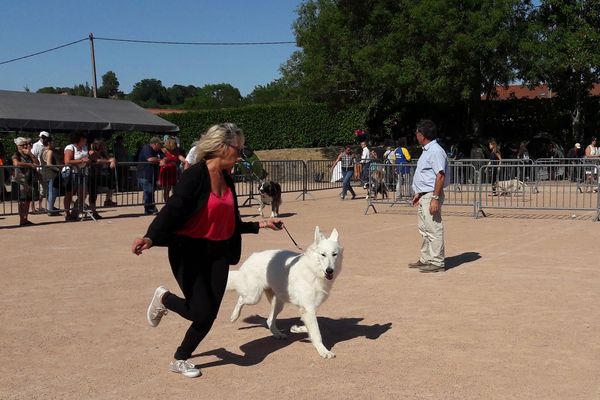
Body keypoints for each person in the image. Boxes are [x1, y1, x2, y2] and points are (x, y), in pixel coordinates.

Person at [131, 123, 284, 379]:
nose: (240, 153)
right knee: (200, 311)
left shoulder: (228, 179)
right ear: (222, 147)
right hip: (189, 252)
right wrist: (150, 236)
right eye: (238, 148)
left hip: (219, 254)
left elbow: (231, 222)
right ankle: (164, 299)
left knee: (208, 314)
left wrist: (263, 224)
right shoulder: (195, 175)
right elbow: (173, 209)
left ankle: (180, 358)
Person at [409, 120, 449, 273]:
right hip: (424, 195)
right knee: (424, 229)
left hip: (431, 195)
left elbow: (440, 175)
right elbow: (427, 175)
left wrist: (435, 198)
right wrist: (419, 193)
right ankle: (426, 258)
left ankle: (437, 262)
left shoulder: (435, 151)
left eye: (418, 133)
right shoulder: (427, 150)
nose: (416, 135)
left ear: (423, 135)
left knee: (433, 228)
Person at [62, 132, 90, 222]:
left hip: (82, 172)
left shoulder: (85, 148)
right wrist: (81, 160)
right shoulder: (70, 147)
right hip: (71, 172)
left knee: (83, 193)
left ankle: (75, 212)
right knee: (69, 194)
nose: (86, 140)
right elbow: (67, 161)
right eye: (84, 138)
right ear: (80, 139)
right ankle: (67, 214)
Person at [11, 137, 40, 226]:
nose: (26, 146)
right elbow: (16, 163)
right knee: (22, 201)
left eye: (26, 144)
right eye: (23, 145)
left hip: (29, 180)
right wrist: (29, 165)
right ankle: (22, 220)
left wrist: (30, 154)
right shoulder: (16, 154)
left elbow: (37, 163)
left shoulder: (29, 154)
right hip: (20, 180)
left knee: (27, 200)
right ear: (18, 146)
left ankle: (25, 219)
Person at [88, 139, 117, 219]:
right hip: (90, 175)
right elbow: (97, 161)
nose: (105, 147)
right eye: (104, 146)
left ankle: (97, 209)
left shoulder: (103, 153)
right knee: (90, 194)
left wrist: (112, 161)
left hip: (98, 175)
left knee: (110, 185)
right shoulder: (91, 152)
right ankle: (79, 210)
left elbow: (111, 158)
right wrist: (108, 161)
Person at [137, 137, 163, 215]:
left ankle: (149, 208)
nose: (160, 146)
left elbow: (164, 157)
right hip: (144, 174)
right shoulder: (147, 148)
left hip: (151, 174)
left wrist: (162, 159)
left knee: (150, 191)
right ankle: (149, 208)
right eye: (159, 144)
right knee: (149, 191)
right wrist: (160, 160)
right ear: (154, 144)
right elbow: (150, 159)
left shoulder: (157, 150)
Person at [159, 137, 186, 202]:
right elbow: (162, 162)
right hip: (167, 172)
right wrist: (164, 161)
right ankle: (167, 203)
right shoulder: (165, 152)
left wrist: (187, 161)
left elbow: (183, 159)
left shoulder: (176, 153)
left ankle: (172, 202)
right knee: (167, 189)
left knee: (175, 189)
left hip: (173, 172)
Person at [40, 136, 61, 216]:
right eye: (53, 142)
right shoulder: (49, 151)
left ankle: (50, 207)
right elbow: (49, 163)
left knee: (50, 191)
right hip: (51, 174)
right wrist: (58, 169)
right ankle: (50, 209)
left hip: (45, 173)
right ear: (49, 143)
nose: (54, 143)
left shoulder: (43, 150)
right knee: (53, 192)